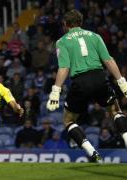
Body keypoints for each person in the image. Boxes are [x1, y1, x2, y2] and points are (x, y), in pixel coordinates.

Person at [46, 9, 127, 162]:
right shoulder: (95, 36)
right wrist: (122, 82)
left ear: (65, 24)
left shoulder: (62, 41)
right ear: (81, 22)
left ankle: (92, 153)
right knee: (116, 111)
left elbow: (64, 68)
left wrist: (55, 91)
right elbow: (109, 60)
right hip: (99, 77)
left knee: (68, 120)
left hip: (80, 82)